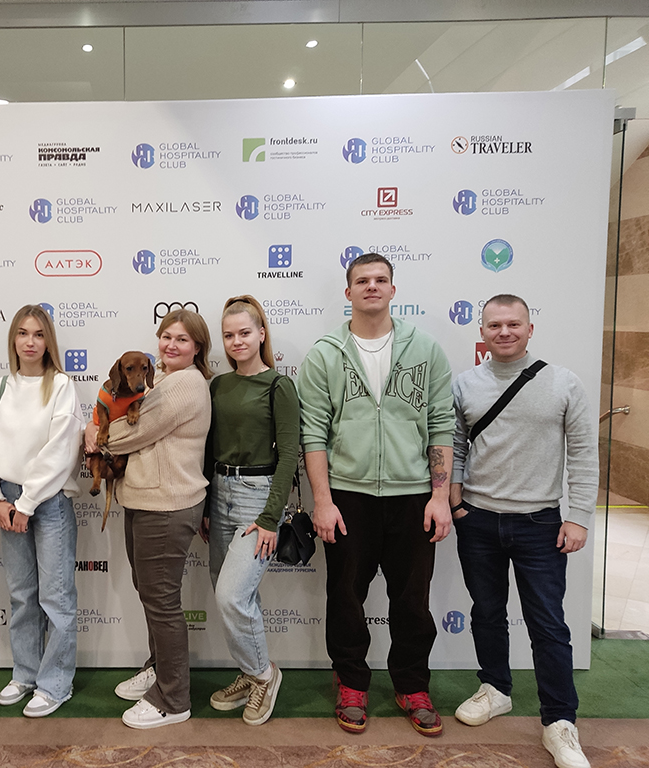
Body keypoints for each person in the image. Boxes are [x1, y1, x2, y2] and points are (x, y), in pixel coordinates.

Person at [296, 252, 454, 737]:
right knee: (346, 596)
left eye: (380, 279)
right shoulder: (325, 354)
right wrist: (323, 501)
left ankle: (412, 686)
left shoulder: (425, 349)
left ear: (392, 289)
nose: (371, 286)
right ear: (348, 292)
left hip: (413, 496)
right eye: (362, 280)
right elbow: (313, 434)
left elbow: (441, 425)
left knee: (413, 599)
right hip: (348, 496)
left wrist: (439, 497)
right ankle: (351, 683)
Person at [451, 294, 596, 768]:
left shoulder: (563, 382)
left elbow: (583, 453)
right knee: (487, 612)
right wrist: (455, 500)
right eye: (495, 325)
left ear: (530, 329)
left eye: (514, 324)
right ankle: (495, 688)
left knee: (548, 624)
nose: (505, 332)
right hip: (478, 519)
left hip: (540, 522)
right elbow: (454, 445)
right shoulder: (466, 384)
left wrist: (579, 516)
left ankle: (560, 721)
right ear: (482, 332)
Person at [85, 309, 212, 729]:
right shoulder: (161, 381)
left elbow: (130, 433)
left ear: (197, 347)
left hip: (167, 506)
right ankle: (159, 669)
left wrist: (94, 434)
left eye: (182, 339)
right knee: (151, 594)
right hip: (144, 500)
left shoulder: (184, 384)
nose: (171, 345)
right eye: (166, 337)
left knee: (161, 601)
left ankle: (173, 700)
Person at [0, 305, 84, 718]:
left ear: (48, 341)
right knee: (22, 594)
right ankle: (24, 672)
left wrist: (26, 503)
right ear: (13, 340)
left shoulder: (61, 386)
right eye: (23, 333)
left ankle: (55, 684)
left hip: (49, 501)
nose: (30, 342)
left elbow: (61, 451)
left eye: (38, 334)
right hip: (6, 499)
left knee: (56, 596)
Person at [199, 295, 298, 726]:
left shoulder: (278, 386)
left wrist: (270, 517)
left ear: (261, 334)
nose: (236, 341)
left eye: (244, 333)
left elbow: (289, 455)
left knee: (232, 595)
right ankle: (249, 670)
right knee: (234, 595)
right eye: (228, 335)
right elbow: (208, 448)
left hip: (258, 497)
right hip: (219, 492)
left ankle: (263, 675)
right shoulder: (218, 386)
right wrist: (206, 505)